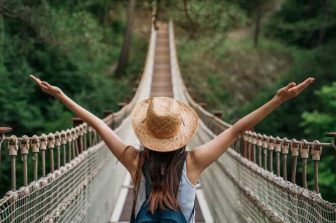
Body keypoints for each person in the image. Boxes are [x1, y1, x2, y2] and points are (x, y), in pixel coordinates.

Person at [29, 74, 314, 223]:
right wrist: (278, 100)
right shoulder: (195, 161)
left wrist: (61, 95)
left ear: (145, 132)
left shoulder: (134, 161)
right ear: (180, 132)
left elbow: (98, 125)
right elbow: (237, 129)